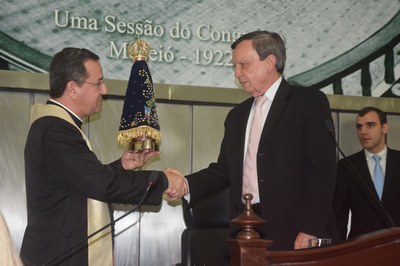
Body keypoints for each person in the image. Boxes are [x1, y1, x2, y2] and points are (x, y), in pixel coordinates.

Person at [20, 47, 187, 266]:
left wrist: (122, 167)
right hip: (59, 257)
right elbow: (100, 184)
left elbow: (79, 184)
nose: (104, 90)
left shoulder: (57, 126)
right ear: (72, 88)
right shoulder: (56, 130)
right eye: (98, 83)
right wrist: (163, 180)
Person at [180, 30, 339, 250]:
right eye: (235, 66)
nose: (237, 73)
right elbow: (224, 170)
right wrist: (185, 184)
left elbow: (322, 171)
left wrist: (309, 229)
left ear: (270, 61)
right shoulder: (237, 116)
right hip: (246, 231)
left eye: (243, 64)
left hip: (296, 231)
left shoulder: (308, 103)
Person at [333, 106, 400, 240]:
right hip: (361, 249)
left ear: (385, 128)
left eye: (370, 125)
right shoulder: (346, 166)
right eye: (359, 127)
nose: (363, 131)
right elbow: (339, 215)